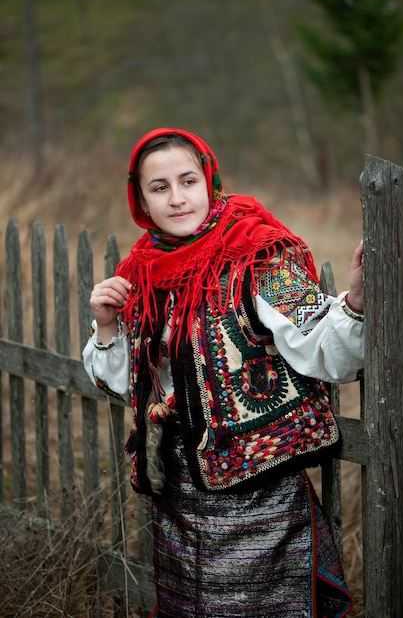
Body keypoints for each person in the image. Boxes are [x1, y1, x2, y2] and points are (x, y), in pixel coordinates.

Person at [83, 127, 364, 618]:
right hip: (177, 489)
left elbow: (327, 352)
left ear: (209, 181)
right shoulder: (141, 271)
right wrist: (107, 329)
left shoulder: (255, 254)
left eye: (187, 180)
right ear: (141, 201)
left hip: (259, 491)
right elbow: (121, 382)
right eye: (159, 187)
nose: (177, 199)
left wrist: (356, 304)